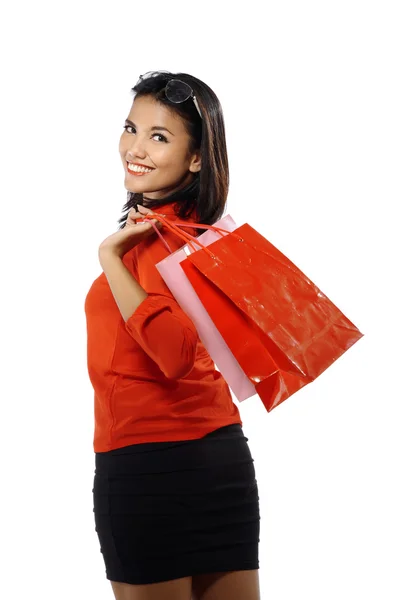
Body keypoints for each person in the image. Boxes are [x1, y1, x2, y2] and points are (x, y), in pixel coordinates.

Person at [84, 70, 261, 600]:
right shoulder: (203, 238)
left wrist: (109, 256)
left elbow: (174, 355)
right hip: (221, 460)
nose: (135, 148)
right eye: (131, 128)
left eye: (159, 137)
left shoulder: (156, 245)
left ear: (197, 159)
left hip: (146, 468)